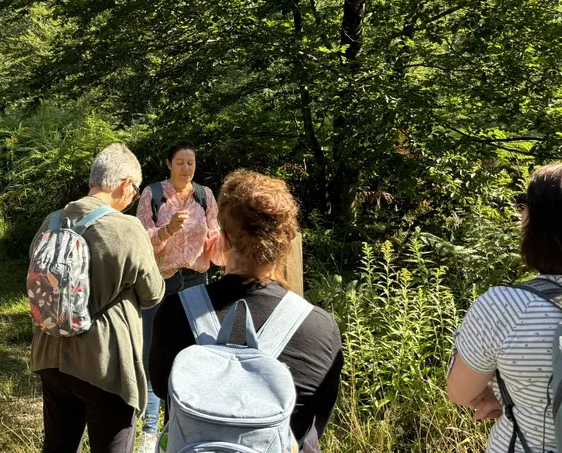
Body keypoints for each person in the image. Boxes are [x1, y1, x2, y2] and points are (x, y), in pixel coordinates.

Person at [149, 169, 343, 452]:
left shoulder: (176, 312)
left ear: (223, 240)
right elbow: (316, 422)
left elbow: (161, 389)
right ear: (284, 245)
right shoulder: (319, 328)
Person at [447, 162, 562, 453]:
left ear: (537, 227)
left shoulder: (506, 307)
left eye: (526, 208)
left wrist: (509, 396)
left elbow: (461, 392)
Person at [30, 143, 165, 453]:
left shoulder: (52, 221)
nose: (133, 198)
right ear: (125, 184)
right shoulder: (127, 228)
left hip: (50, 353)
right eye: (135, 190)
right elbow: (153, 294)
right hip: (105, 362)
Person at [135, 141, 224, 449]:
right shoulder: (153, 195)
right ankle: (150, 432)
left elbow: (214, 240)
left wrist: (231, 242)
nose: (186, 168)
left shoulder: (205, 195)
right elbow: (141, 242)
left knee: (196, 353)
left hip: (197, 280)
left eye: (191, 163)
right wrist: (168, 230)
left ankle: (183, 428)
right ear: (168, 164)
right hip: (162, 282)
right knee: (155, 352)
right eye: (180, 163)